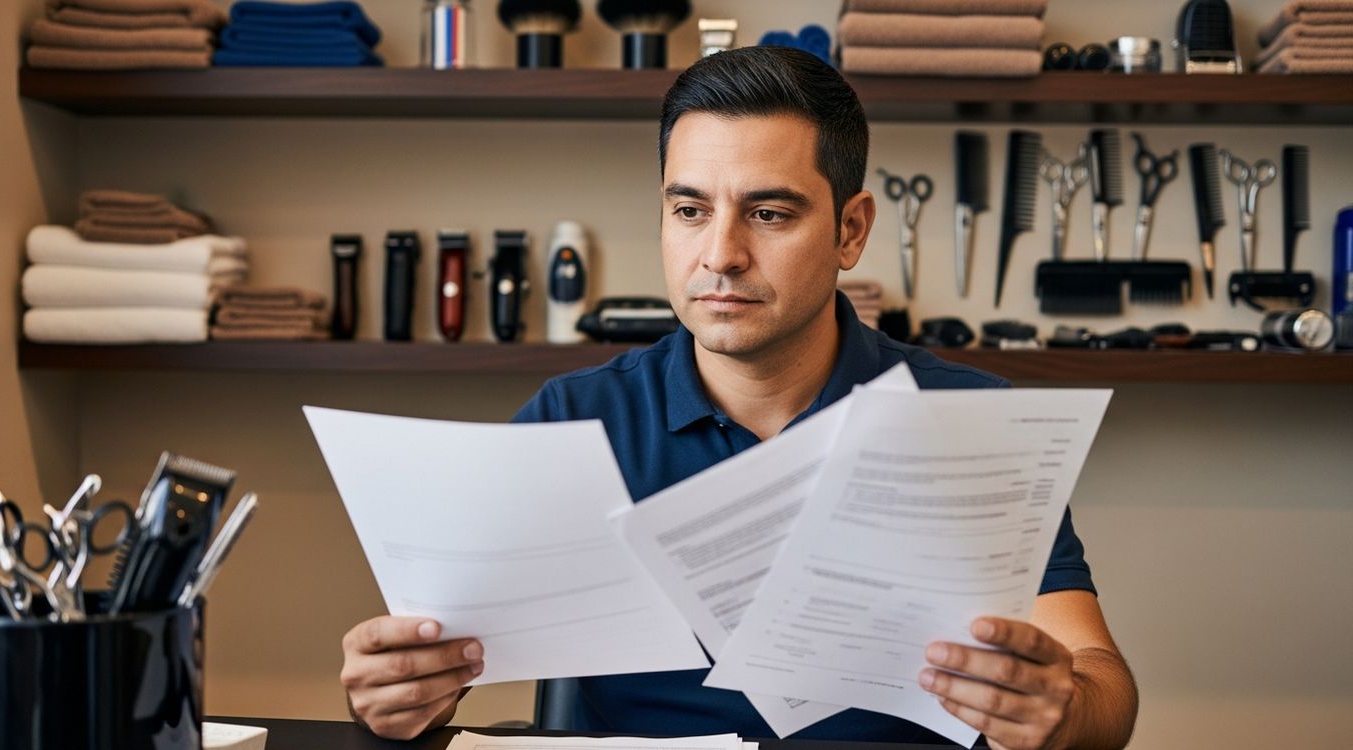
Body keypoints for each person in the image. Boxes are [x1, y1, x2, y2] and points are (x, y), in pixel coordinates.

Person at [340, 46, 1138, 748]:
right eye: (689, 210)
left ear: (850, 232)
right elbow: (428, 671)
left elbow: (1101, 681)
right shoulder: (575, 421)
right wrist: (401, 696)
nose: (720, 254)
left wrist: (1062, 709)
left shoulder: (966, 425)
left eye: (768, 212)